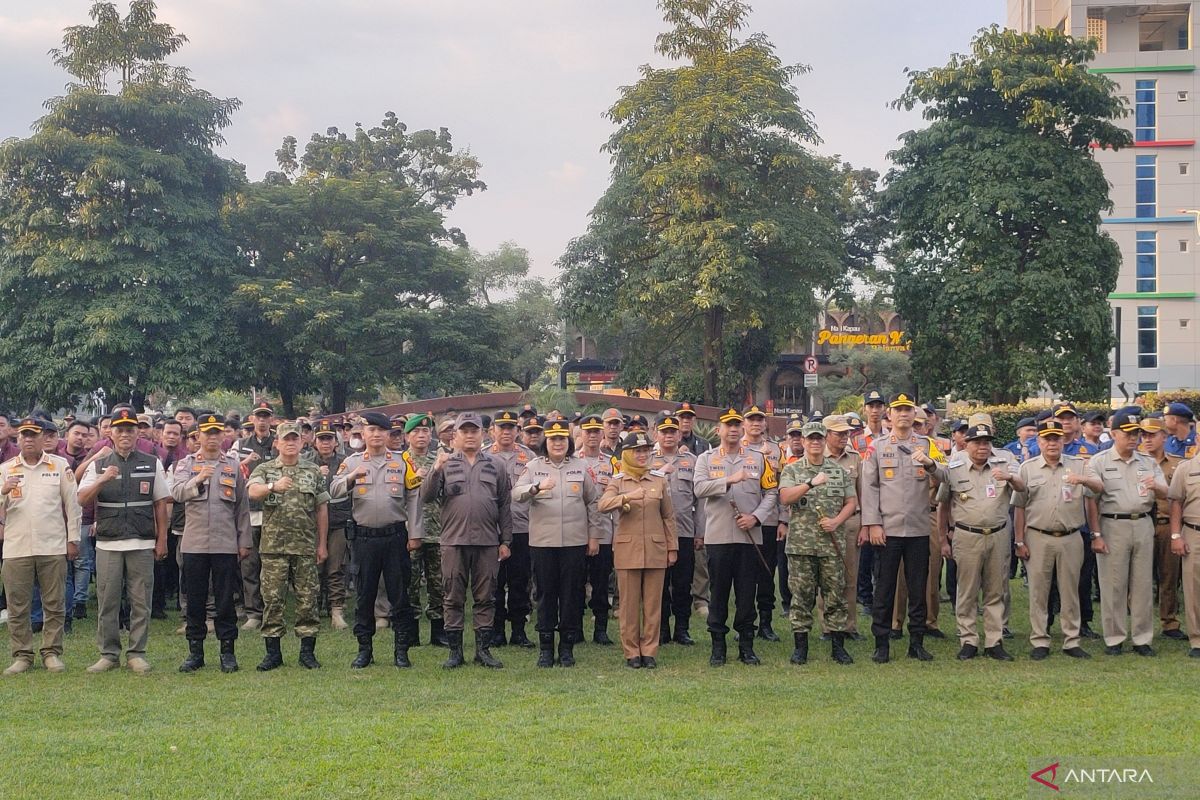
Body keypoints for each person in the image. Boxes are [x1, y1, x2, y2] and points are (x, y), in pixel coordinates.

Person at [76, 408, 171, 674]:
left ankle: (137, 653)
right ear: (111, 433)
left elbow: (161, 504)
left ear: (137, 432)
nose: (125, 434)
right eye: (120, 429)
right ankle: (108, 654)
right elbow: (81, 499)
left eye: (130, 429)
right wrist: (103, 479)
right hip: (109, 542)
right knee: (108, 601)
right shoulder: (99, 464)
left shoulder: (152, 462)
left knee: (141, 601)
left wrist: (161, 540)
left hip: (141, 542)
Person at [860, 393, 948, 664]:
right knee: (884, 589)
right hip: (887, 529)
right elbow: (869, 486)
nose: (903, 415)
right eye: (898, 410)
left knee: (918, 588)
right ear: (890, 414)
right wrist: (872, 523)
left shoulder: (927, 444)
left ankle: (917, 642)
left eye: (908, 410)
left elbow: (947, 477)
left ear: (914, 414)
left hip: (919, 529)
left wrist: (930, 464)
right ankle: (882, 642)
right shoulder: (877, 447)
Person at [330, 412, 422, 669]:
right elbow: (333, 491)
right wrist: (350, 478)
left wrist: (415, 533)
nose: (377, 435)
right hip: (364, 539)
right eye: (371, 430)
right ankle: (364, 650)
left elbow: (414, 498)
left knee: (399, 595)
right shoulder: (352, 461)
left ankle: (401, 651)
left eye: (382, 431)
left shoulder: (402, 461)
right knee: (364, 596)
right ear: (364, 433)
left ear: (389, 434)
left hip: (395, 538)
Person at [423, 412, 512, 669]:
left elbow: (505, 504)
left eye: (475, 431)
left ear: (483, 434)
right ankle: (455, 651)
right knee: (452, 596)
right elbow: (426, 497)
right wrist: (436, 469)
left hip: (487, 541)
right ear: (456, 436)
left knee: (486, 596)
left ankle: (483, 650)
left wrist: (506, 540)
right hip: (453, 540)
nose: (470, 435)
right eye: (465, 431)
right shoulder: (445, 463)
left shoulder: (496, 465)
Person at [513, 419, 604, 667]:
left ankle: (566, 648)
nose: (558, 443)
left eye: (562, 439)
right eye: (553, 439)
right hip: (543, 543)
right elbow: (516, 494)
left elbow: (593, 502)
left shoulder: (581, 466)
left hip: (574, 542)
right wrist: (536, 487)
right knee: (545, 594)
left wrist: (594, 536)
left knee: (572, 595)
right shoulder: (533, 467)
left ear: (569, 442)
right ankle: (545, 648)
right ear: (546, 442)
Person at [693, 408, 779, 667]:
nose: (732, 430)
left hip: (748, 536)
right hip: (719, 536)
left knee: (746, 593)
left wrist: (756, 517)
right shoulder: (706, 459)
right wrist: (728, 480)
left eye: (736, 425)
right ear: (718, 430)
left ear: (742, 429)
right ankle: (718, 646)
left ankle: (746, 646)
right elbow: (698, 488)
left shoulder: (757, 458)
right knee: (718, 593)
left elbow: (772, 492)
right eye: (727, 425)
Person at [1, 417, 82, 675]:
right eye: (23, 435)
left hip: (52, 545)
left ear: (43, 438)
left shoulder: (59, 466)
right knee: (17, 605)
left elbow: (73, 505)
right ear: (18, 438)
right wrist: (3, 491)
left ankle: (51, 652)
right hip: (16, 547)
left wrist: (73, 539)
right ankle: (22, 655)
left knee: (54, 603)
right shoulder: (6, 469)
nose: (27, 439)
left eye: (33, 435)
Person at [172, 414, 252, 673]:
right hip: (194, 543)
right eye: (207, 433)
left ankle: (227, 652)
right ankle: (195, 652)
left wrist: (244, 541)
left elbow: (242, 507)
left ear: (223, 436)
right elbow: (176, 493)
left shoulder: (232, 465)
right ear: (197, 436)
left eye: (217, 432)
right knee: (194, 599)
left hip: (225, 543)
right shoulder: (186, 465)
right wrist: (198, 479)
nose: (212, 437)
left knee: (225, 600)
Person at [247, 422, 329, 670]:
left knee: (307, 599)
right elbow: (252, 492)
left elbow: (322, 508)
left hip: (304, 546)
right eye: (286, 439)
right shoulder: (266, 469)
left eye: (295, 438)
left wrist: (322, 544)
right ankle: (273, 653)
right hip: (274, 547)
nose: (291, 442)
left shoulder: (313, 471)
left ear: (303, 442)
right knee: (272, 600)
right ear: (277, 443)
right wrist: (273, 486)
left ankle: (307, 652)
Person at [937, 423, 1023, 661]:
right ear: (967, 444)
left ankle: (994, 640)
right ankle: (968, 639)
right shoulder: (954, 468)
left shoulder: (1003, 465)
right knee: (967, 590)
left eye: (987, 442)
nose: (983, 447)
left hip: (998, 534)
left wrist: (1010, 477)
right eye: (977, 442)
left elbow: (1023, 489)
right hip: (967, 536)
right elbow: (943, 505)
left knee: (996, 590)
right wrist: (943, 538)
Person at [1085, 409, 1166, 656]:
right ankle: (1114, 637)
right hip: (1112, 524)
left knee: (1142, 583)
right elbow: (1091, 501)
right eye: (1129, 433)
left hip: (1142, 523)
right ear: (1115, 433)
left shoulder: (1147, 461)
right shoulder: (1099, 461)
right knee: (1113, 584)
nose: (1134, 438)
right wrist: (1096, 534)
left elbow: (1167, 492)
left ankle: (1142, 638)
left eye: (1137, 434)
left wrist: (1157, 486)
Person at [1011, 418, 1092, 659]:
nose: (1052, 443)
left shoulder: (1079, 465)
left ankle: (1071, 639)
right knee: (1039, 591)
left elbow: (1098, 490)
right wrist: (1018, 540)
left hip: (1070, 536)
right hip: (1038, 536)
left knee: (1070, 590)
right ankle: (1039, 640)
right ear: (1039, 441)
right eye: (1047, 439)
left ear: (1063, 440)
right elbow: (1020, 508)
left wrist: (1084, 479)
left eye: (1056, 438)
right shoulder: (1027, 468)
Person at [778, 422, 857, 666]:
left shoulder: (838, 471)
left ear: (824, 442)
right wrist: (811, 483)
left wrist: (836, 521)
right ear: (802, 441)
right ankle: (801, 647)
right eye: (810, 438)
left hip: (831, 546)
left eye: (819, 438)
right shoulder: (792, 470)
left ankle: (838, 646)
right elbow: (785, 497)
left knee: (835, 595)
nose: (815, 442)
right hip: (801, 546)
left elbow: (851, 502)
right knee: (801, 597)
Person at [598, 431, 678, 669]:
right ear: (627, 454)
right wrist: (627, 497)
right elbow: (602, 505)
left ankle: (650, 650)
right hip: (628, 549)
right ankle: (632, 651)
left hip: (655, 548)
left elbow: (668, 516)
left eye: (646, 451)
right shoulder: (618, 480)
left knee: (653, 605)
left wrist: (672, 548)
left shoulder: (658, 480)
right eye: (638, 451)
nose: (643, 455)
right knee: (629, 606)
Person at [486, 410, 535, 649]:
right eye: (501, 427)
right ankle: (496, 631)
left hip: (523, 528)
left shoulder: (530, 457)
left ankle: (518, 630)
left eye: (511, 427)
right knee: (494, 582)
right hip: (492, 530)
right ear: (493, 430)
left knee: (520, 582)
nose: (506, 432)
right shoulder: (484, 457)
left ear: (518, 430)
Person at [652, 414, 702, 645]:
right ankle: (661, 628)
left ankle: (682, 628)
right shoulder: (647, 460)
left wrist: (699, 532)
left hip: (684, 530)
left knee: (683, 583)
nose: (669, 435)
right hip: (656, 532)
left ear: (679, 433)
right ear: (656, 434)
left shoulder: (692, 461)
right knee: (658, 584)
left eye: (673, 431)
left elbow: (699, 501)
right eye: (664, 431)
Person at [400, 414, 447, 647]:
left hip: (438, 531)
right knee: (410, 582)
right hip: (410, 532)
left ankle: (439, 631)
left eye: (425, 432)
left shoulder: (439, 460)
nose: (421, 436)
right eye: (416, 432)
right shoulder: (400, 461)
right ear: (407, 436)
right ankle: (412, 631)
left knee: (438, 583)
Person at [1138, 414, 1186, 641]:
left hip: (1167, 524)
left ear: (1164, 437)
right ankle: (1141, 623)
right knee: (1140, 578)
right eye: (1143, 435)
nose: (1147, 439)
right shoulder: (1135, 461)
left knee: (1169, 576)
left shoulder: (1178, 464)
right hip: (1141, 522)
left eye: (1152, 435)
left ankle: (1169, 622)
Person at [816, 415, 864, 641]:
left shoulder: (854, 458)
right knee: (826, 576)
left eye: (846, 433)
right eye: (839, 433)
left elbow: (862, 493)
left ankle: (849, 626)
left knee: (849, 575)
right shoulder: (816, 458)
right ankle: (827, 626)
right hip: (824, 523)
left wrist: (865, 524)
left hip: (851, 522)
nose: (844, 437)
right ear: (826, 435)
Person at [741, 404, 785, 642]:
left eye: (760, 420)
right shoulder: (736, 449)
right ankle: (745, 622)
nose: (756, 424)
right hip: (744, 521)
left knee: (768, 573)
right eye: (751, 420)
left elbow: (782, 487)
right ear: (744, 423)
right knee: (745, 574)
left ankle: (766, 623)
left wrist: (783, 520)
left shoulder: (777, 451)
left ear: (765, 423)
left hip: (769, 520)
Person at [236, 400, 278, 631]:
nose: (262, 420)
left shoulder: (280, 443)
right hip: (249, 513)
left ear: (271, 419)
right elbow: (232, 473)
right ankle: (253, 612)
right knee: (250, 565)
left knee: (273, 565)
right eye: (258, 416)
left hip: (274, 512)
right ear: (252, 419)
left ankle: (273, 610)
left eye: (266, 416)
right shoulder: (240, 444)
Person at [577, 413, 618, 644]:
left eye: (596, 431)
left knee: (602, 583)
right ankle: (576, 629)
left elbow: (618, 499)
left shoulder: (612, 463)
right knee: (575, 584)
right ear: (580, 434)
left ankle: (600, 629)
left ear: (602, 433)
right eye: (587, 431)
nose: (592, 436)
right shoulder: (572, 459)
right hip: (576, 532)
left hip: (603, 531)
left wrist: (617, 534)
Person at [312, 419, 350, 631]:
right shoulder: (306, 461)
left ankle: (336, 609)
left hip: (338, 521)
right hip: (313, 523)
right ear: (315, 442)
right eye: (321, 439)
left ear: (336, 442)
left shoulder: (345, 462)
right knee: (314, 567)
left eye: (329, 439)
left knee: (336, 567)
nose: (325, 443)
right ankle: (314, 607)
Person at [1167, 446, 1200, 658]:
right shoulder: (1186, 468)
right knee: (1193, 587)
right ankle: (1197, 639)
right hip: (1193, 533)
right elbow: (1175, 502)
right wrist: (1176, 536)